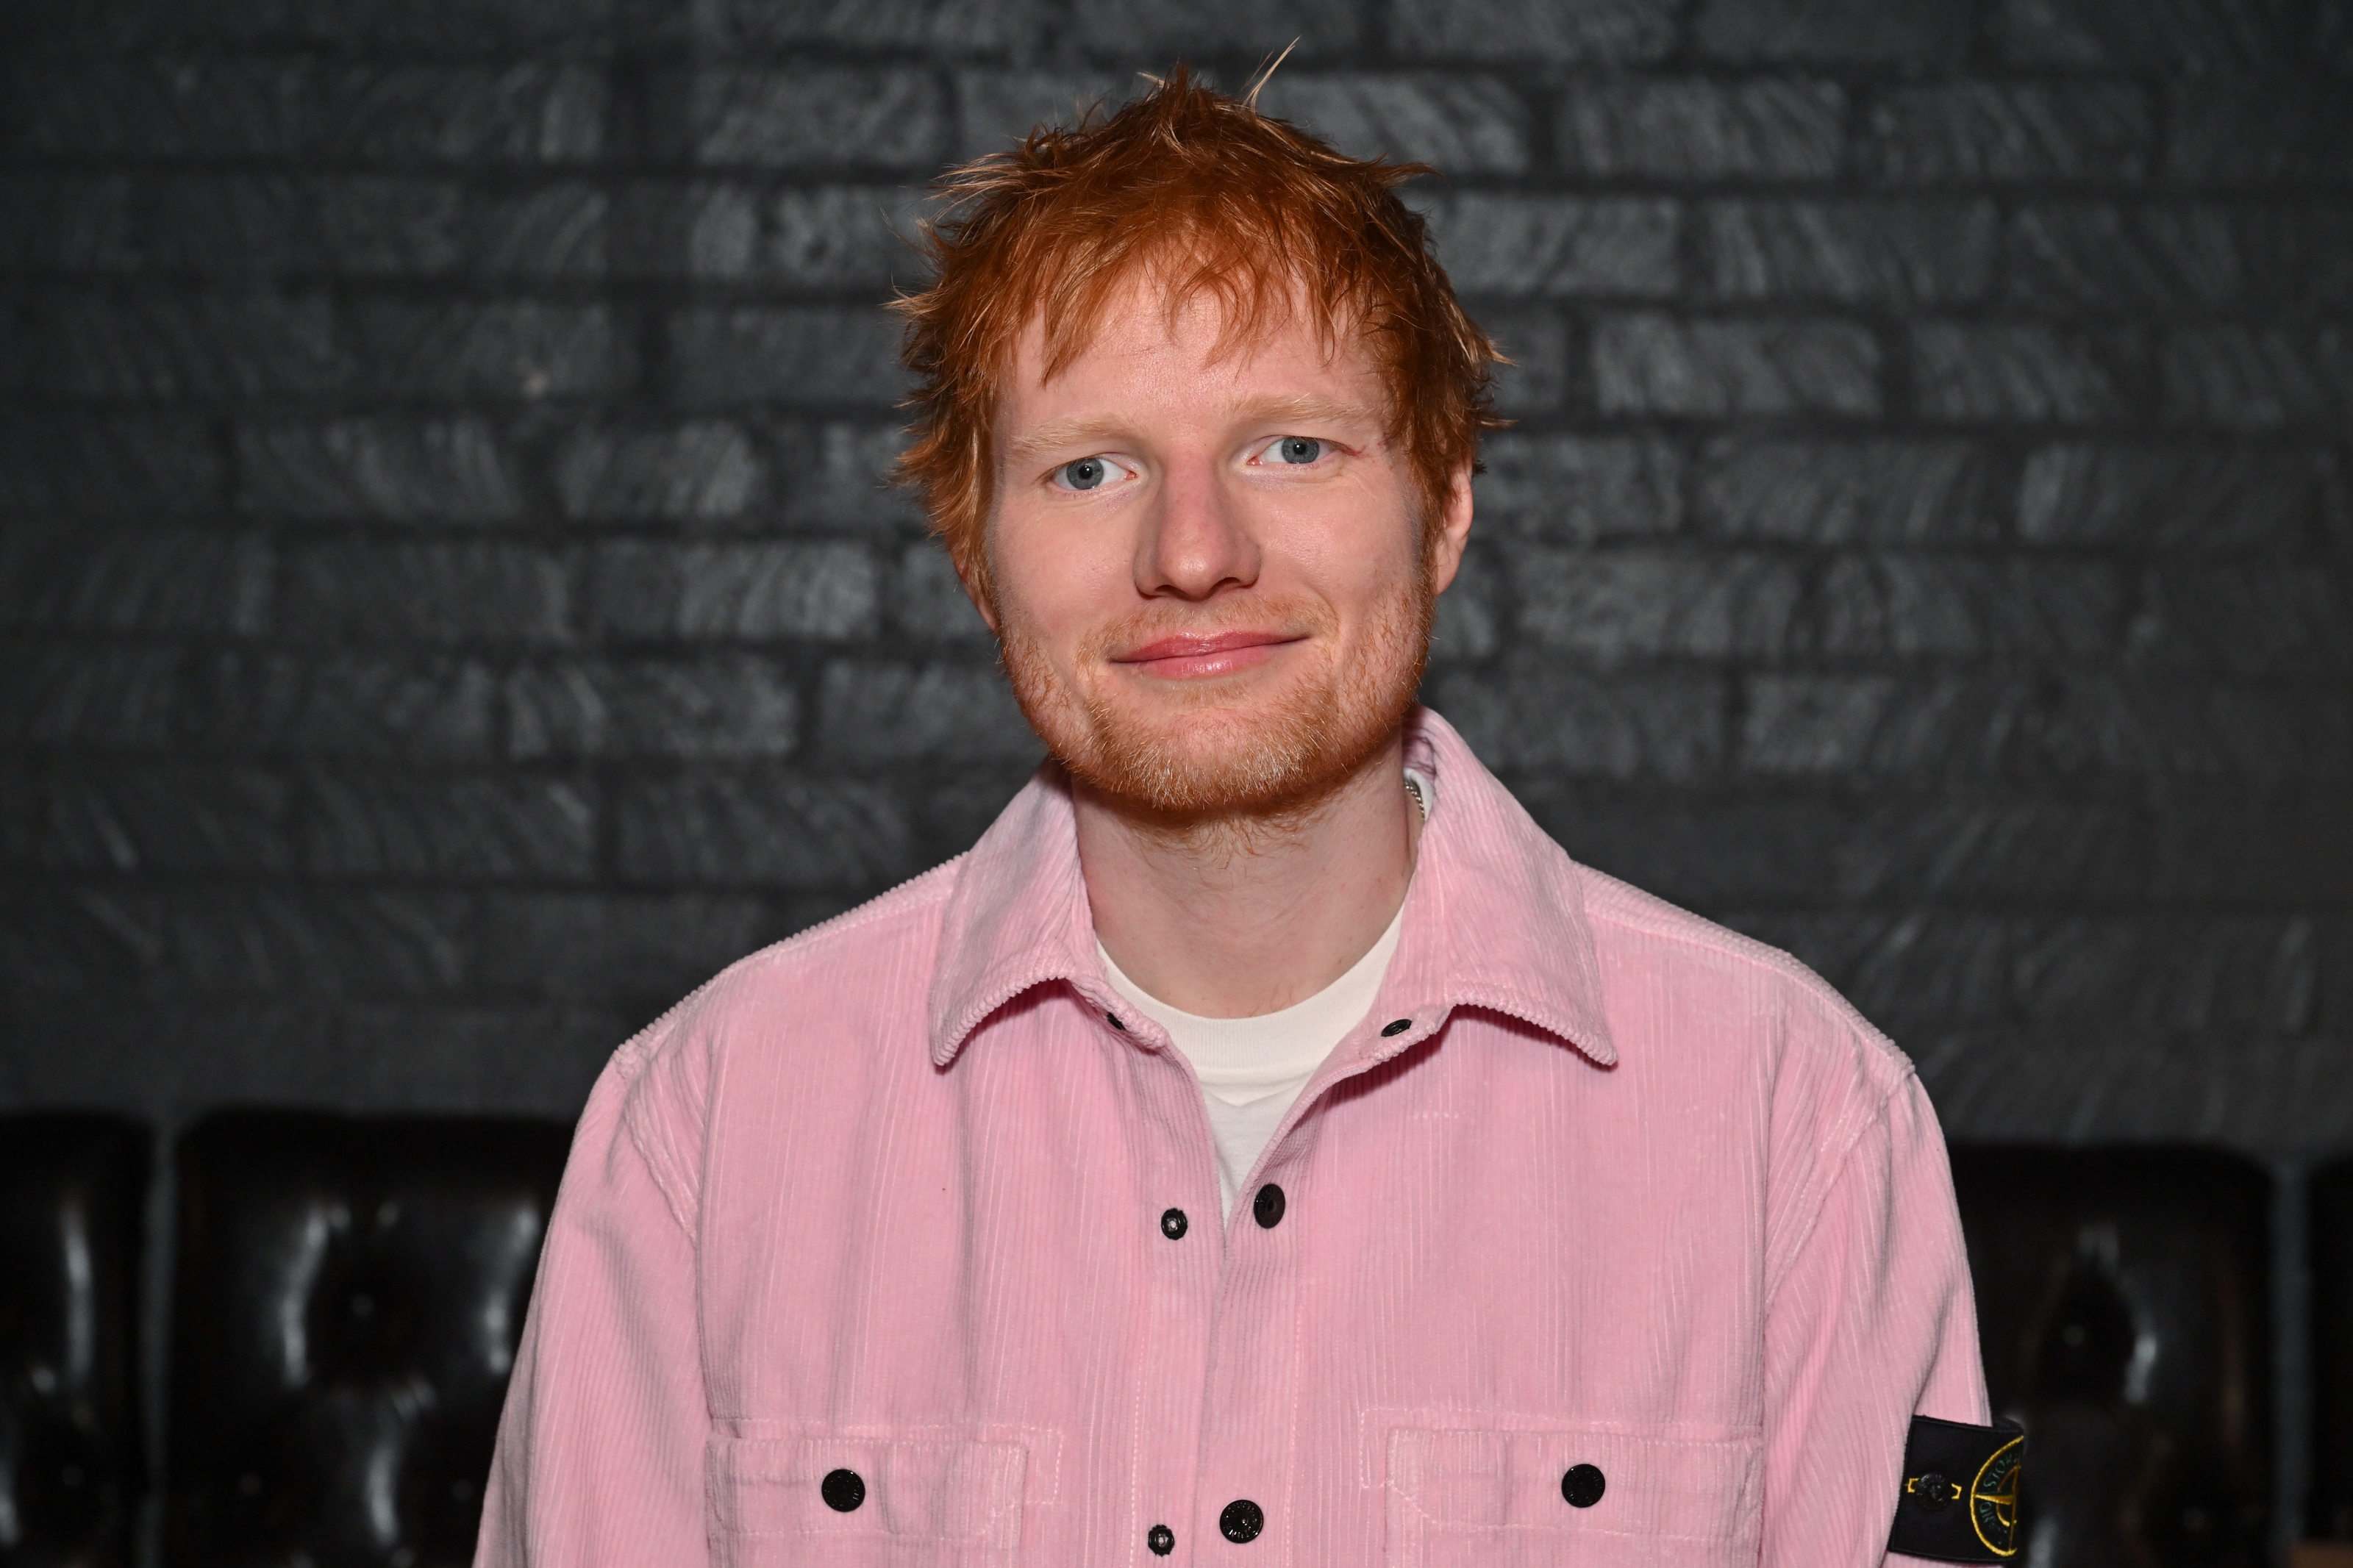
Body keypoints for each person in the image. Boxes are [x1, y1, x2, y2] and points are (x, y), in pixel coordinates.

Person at [478, 68, 2018, 1568]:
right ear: (973, 549)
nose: (1194, 550)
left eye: (1291, 445)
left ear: (1445, 504)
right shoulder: (701, 1130)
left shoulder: (1808, 1126)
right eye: (1091, 466)